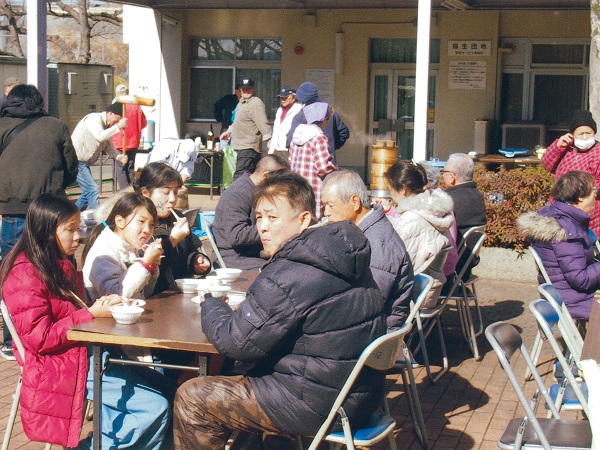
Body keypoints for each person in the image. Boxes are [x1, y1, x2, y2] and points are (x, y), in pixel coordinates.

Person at [173, 172, 386, 449]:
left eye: (272, 218)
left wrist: (211, 304)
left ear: (304, 220)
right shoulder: (339, 255)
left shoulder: (292, 271)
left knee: (193, 398)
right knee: (245, 369)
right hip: (358, 394)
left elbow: (235, 342)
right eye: (259, 217)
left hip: (312, 401)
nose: (262, 227)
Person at [0, 193, 171, 449]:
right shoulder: (25, 272)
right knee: (156, 408)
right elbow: (40, 338)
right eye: (70, 230)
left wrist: (98, 309)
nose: (78, 235)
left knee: (166, 388)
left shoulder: (56, 262)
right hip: (59, 363)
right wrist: (91, 313)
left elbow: (71, 315)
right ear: (47, 231)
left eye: (78, 227)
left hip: (85, 352)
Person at [0, 84, 78, 361]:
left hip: (12, 210)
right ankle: (62, 328)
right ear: (39, 101)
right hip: (49, 213)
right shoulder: (56, 126)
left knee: (13, 272)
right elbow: (72, 169)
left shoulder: (2, 126)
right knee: (55, 269)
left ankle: (13, 341)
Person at [322, 170, 415, 329]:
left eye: (330, 206)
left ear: (355, 202)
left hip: (374, 330)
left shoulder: (378, 245)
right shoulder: (359, 230)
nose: (326, 213)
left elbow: (367, 305)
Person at [517, 170, 600, 323]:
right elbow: (580, 279)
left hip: (567, 294)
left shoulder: (553, 215)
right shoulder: (565, 230)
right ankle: (593, 347)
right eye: (593, 191)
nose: (596, 196)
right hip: (572, 300)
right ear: (580, 198)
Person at [385, 161, 455, 308]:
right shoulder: (433, 212)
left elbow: (394, 267)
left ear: (403, 189)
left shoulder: (412, 220)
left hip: (412, 297)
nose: (390, 195)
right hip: (430, 288)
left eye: (390, 190)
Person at [133, 162, 211, 294]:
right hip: (155, 296)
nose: (172, 199)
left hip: (181, 293)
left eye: (175, 192)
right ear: (145, 193)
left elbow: (190, 251)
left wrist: (196, 260)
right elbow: (147, 264)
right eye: (166, 192)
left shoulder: (177, 218)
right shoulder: (136, 223)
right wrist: (173, 240)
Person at [211, 154, 289, 270]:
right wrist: (274, 226)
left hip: (255, 253)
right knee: (281, 271)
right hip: (234, 257)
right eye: (280, 179)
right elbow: (237, 236)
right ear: (266, 176)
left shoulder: (259, 190)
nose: (282, 184)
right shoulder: (237, 194)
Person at [82, 193, 164, 301]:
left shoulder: (131, 247)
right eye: (141, 221)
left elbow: (142, 294)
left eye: (151, 225)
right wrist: (145, 264)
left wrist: (151, 268)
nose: (147, 230)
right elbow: (117, 297)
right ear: (120, 221)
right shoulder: (103, 253)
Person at [542, 109, 600, 238]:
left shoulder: (598, 152)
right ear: (572, 134)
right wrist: (558, 146)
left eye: (588, 133)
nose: (585, 137)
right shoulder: (566, 149)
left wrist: (580, 192)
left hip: (589, 213)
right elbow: (547, 163)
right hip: (560, 211)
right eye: (581, 134)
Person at [71, 103, 128, 211]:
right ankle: (100, 221)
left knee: (88, 192)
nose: (116, 123)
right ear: (110, 113)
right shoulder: (94, 119)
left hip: (84, 162)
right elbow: (100, 136)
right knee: (92, 189)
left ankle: (72, 215)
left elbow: (107, 145)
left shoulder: (106, 126)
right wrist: (118, 126)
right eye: (117, 120)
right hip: (76, 160)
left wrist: (119, 156)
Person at [289, 102, 337, 220]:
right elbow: (323, 168)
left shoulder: (296, 137)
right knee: (313, 220)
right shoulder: (319, 138)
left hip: (296, 185)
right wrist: (336, 172)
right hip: (313, 187)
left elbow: (290, 160)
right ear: (324, 120)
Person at [219, 78, 272, 181]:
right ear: (240, 90)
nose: (246, 91)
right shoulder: (241, 103)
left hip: (249, 147)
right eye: (244, 89)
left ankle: (234, 196)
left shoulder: (255, 103)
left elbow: (262, 122)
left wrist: (268, 139)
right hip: (240, 146)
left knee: (240, 177)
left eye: (249, 89)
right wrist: (229, 131)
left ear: (253, 89)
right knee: (247, 178)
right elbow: (238, 121)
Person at [286, 81, 350, 162]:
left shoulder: (301, 115)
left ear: (301, 98)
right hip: (329, 161)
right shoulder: (330, 112)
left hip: (307, 163)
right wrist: (331, 146)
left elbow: (290, 139)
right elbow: (344, 132)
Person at [442, 153, 487, 242]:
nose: (442, 175)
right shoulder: (478, 196)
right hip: (468, 254)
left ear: (452, 176)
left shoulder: (449, 200)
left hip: (451, 253)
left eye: (443, 172)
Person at [111, 84, 148, 190]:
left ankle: (125, 192)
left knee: (121, 168)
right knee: (130, 167)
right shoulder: (136, 106)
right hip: (132, 141)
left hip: (118, 142)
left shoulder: (115, 105)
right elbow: (143, 123)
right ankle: (130, 190)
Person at [268, 85, 302, 158]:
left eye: (285, 98)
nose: (282, 100)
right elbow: (276, 131)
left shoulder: (299, 109)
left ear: (293, 98)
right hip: (278, 149)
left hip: (291, 149)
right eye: (281, 98)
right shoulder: (280, 110)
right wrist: (271, 150)